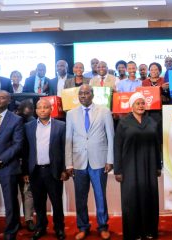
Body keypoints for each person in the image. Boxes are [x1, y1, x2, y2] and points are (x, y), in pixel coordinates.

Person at [65, 84, 114, 240]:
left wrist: (110, 159)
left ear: (92, 95)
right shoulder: (71, 114)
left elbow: (111, 137)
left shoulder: (104, 111)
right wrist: (69, 163)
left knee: (100, 196)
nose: (83, 96)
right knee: (80, 198)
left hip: (99, 161)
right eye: (81, 93)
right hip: (78, 162)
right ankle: (83, 227)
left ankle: (103, 226)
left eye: (86, 93)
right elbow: (68, 140)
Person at [114, 92, 162, 240]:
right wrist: (118, 169)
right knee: (131, 200)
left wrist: (158, 166)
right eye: (137, 103)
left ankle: (149, 231)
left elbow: (156, 145)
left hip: (149, 166)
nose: (141, 106)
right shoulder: (123, 123)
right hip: (129, 168)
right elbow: (117, 146)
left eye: (142, 103)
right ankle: (133, 233)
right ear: (131, 106)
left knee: (150, 198)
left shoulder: (153, 122)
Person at [24, 99, 67, 240]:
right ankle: (40, 227)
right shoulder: (28, 127)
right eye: (39, 108)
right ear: (36, 111)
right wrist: (25, 171)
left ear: (51, 109)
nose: (42, 110)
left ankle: (59, 228)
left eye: (45, 107)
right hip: (35, 171)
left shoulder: (60, 126)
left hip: (53, 170)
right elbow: (26, 150)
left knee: (57, 202)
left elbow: (65, 149)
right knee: (38, 202)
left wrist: (64, 169)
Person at [0, 91, 23, 240]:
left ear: (9, 100)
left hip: (7, 165)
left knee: (11, 202)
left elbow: (18, 145)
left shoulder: (16, 119)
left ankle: (10, 234)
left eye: (2, 97)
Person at [17, 100, 36, 232]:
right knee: (13, 194)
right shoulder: (13, 120)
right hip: (11, 163)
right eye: (26, 110)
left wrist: (26, 170)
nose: (28, 112)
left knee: (27, 192)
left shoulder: (32, 122)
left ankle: (29, 219)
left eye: (30, 110)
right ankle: (15, 220)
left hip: (27, 163)